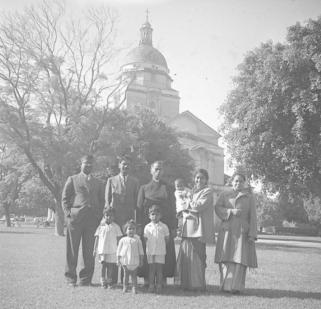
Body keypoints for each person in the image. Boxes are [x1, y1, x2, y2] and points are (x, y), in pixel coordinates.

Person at [62, 155, 105, 287]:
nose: (88, 166)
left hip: (92, 220)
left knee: (89, 251)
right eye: (86, 163)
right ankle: (71, 278)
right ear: (81, 164)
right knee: (72, 250)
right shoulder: (73, 179)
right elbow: (64, 198)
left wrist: (99, 216)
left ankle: (86, 279)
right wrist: (69, 214)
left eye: (91, 164)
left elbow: (102, 200)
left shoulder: (99, 182)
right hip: (75, 219)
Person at [214, 172, 258, 294]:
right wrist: (230, 211)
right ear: (231, 182)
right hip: (227, 231)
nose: (238, 183)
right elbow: (217, 208)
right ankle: (225, 286)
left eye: (240, 181)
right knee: (225, 257)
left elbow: (253, 217)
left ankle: (236, 287)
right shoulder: (224, 194)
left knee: (240, 259)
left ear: (244, 183)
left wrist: (252, 234)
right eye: (235, 181)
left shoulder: (249, 197)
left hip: (242, 232)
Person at [137, 161, 177, 285]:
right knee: (147, 251)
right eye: (156, 169)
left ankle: (162, 279)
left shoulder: (168, 188)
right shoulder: (144, 188)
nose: (158, 172)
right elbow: (139, 209)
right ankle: (147, 279)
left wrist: (174, 227)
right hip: (147, 226)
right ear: (151, 171)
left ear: (163, 171)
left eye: (160, 169)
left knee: (164, 251)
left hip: (164, 226)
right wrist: (139, 226)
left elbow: (172, 208)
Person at [175, 169, 215, 291]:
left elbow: (198, 206)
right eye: (197, 177)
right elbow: (182, 206)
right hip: (187, 227)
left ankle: (197, 284)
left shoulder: (207, 191)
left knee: (198, 256)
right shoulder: (191, 191)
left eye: (202, 178)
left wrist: (187, 202)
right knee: (186, 255)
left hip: (198, 229)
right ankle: (185, 283)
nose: (199, 180)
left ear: (206, 180)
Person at [105, 157, 140, 231]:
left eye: (128, 164)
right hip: (115, 215)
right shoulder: (111, 180)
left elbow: (137, 200)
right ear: (119, 165)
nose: (126, 166)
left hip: (129, 215)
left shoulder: (135, 181)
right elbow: (107, 200)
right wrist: (108, 215)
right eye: (124, 164)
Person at [93, 208, 123, 289]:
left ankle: (109, 281)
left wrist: (119, 250)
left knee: (110, 266)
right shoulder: (101, 226)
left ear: (114, 217)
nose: (109, 217)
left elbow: (119, 239)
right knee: (103, 266)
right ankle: (103, 281)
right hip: (102, 250)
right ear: (104, 216)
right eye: (107, 215)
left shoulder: (116, 226)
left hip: (112, 250)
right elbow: (97, 238)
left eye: (111, 216)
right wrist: (94, 249)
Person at [144, 205, 170, 293]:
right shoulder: (147, 227)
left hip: (160, 251)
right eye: (153, 214)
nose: (155, 216)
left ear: (160, 215)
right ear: (149, 216)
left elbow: (167, 239)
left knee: (159, 269)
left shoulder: (164, 226)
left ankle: (159, 285)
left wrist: (160, 247)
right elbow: (145, 239)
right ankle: (151, 285)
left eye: (157, 214)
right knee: (151, 269)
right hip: (151, 251)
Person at [117, 220, 144, 294]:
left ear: (135, 230)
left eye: (133, 229)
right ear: (125, 231)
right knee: (125, 275)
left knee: (134, 276)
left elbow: (141, 251)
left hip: (134, 260)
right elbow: (119, 251)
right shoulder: (123, 240)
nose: (131, 230)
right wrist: (118, 260)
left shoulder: (137, 240)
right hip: (125, 260)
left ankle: (134, 287)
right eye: (129, 229)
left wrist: (141, 260)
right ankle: (125, 287)